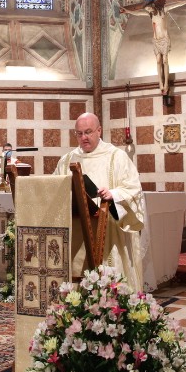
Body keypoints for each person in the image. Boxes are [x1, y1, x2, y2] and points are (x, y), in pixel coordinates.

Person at [53, 113, 145, 291]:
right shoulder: (67, 160)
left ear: (99, 131)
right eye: (79, 133)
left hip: (108, 229)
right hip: (77, 229)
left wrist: (113, 194)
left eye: (88, 132)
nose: (84, 137)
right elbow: (56, 190)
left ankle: (112, 303)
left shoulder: (116, 156)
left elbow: (134, 189)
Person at [120, 0, 186, 95]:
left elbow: (180, 3)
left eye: (148, 8)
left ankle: (166, 85)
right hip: (156, 40)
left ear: (152, 6)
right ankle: (160, 84)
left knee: (165, 61)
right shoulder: (150, 14)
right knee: (158, 61)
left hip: (164, 39)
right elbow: (137, 13)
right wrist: (127, 10)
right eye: (147, 9)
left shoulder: (164, 10)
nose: (147, 9)